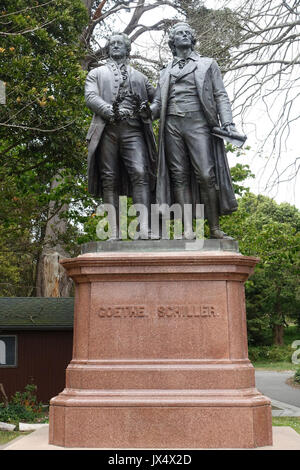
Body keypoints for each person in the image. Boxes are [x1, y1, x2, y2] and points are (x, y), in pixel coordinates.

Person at [150, 22, 239, 239]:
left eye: (187, 33)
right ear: (173, 42)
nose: (184, 35)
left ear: (192, 38)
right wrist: (145, 110)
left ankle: (215, 228)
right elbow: (157, 105)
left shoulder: (208, 64)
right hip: (171, 125)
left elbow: (220, 95)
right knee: (178, 176)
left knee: (206, 175)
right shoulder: (165, 71)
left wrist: (227, 122)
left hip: (198, 123)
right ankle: (188, 229)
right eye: (179, 33)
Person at [85, 32, 157, 238]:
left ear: (127, 49)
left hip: (134, 131)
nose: (115, 46)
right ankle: (114, 232)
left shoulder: (141, 77)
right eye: (112, 43)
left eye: (120, 44)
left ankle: (143, 228)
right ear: (108, 49)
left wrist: (147, 110)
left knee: (141, 173)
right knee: (109, 178)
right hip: (107, 130)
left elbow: (158, 100)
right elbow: (90, 97)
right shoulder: (96, 73)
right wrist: (111, 111)